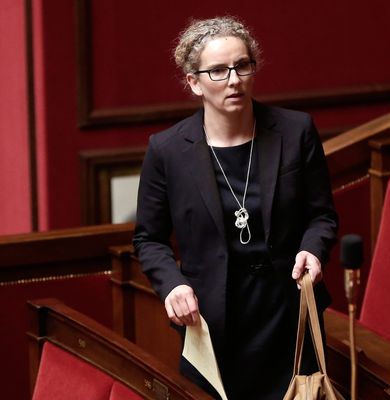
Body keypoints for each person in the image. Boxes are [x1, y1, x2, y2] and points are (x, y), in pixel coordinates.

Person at [133, 16, 338, 399]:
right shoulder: (167, 150)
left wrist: (313, 248)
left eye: (242, 65)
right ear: (193, 82)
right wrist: (172, 284)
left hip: (288, 311)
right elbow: (149, 238)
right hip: (212, 319)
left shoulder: (296, 131)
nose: (234, 80)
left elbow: (321, 215)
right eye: (218, 71)